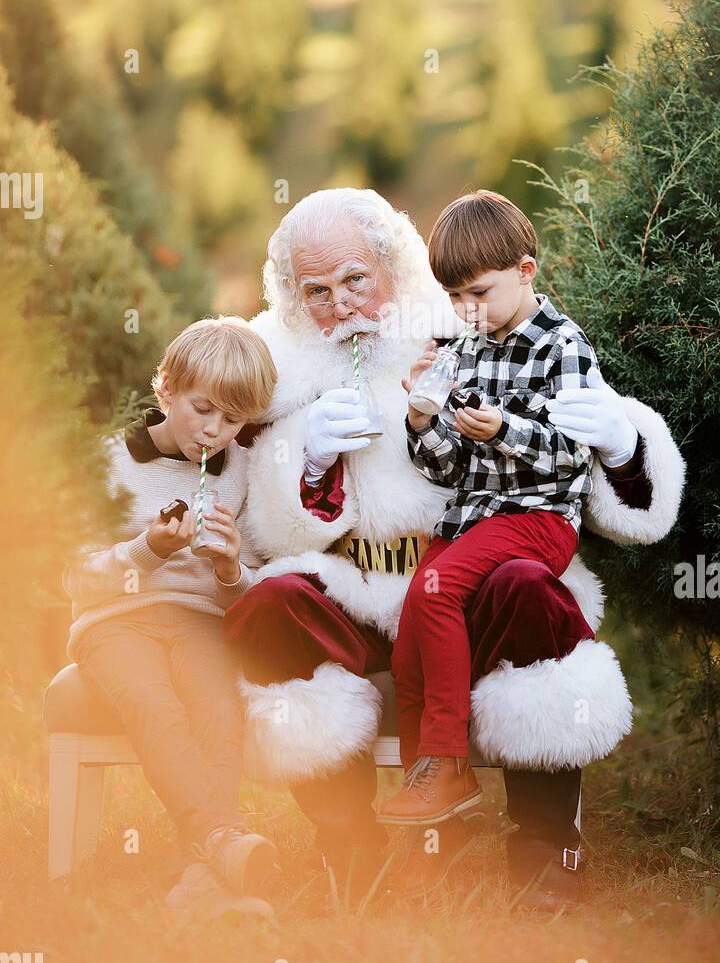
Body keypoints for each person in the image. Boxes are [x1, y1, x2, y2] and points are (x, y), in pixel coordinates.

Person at [224, 188, 686, 909]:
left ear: (393, 267)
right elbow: (233, 494)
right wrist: (304, 466)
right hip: (351, 593)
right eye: (315, 291)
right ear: (291, 298)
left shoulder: (465, 320)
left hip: (474, 582)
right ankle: (350, 849)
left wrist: (624, 445)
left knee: (533, 586)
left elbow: (598, 472)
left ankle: (543, 853)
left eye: (355, 280)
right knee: (272, 607)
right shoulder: (272, 371)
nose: (340, 305)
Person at [379, 190, 616, 825]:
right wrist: (420, 417)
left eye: (479, 293)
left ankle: (448, 767)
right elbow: (445, 466)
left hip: (537, 519)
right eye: (455, 298)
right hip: (469, 520)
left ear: (525, 271)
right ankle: (425, 802)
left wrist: (503, 431)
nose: (467, 310)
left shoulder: (562, 345)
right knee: (408, 655)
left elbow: (573, 454)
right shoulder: (462, 349)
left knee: (432, 589)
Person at [63, 317, 280, 923]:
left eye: (234, 420)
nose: (215, 431)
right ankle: (222, 839)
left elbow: (248, 596)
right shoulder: (106, 463)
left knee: (216, 710)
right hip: (115, 623)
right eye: (203, 408)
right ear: (165, 390)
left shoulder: (238, 469)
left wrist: (232, 567)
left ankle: (201, 882)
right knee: (153, 704)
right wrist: (147, 550)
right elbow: (73, 578)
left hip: (199, 623)